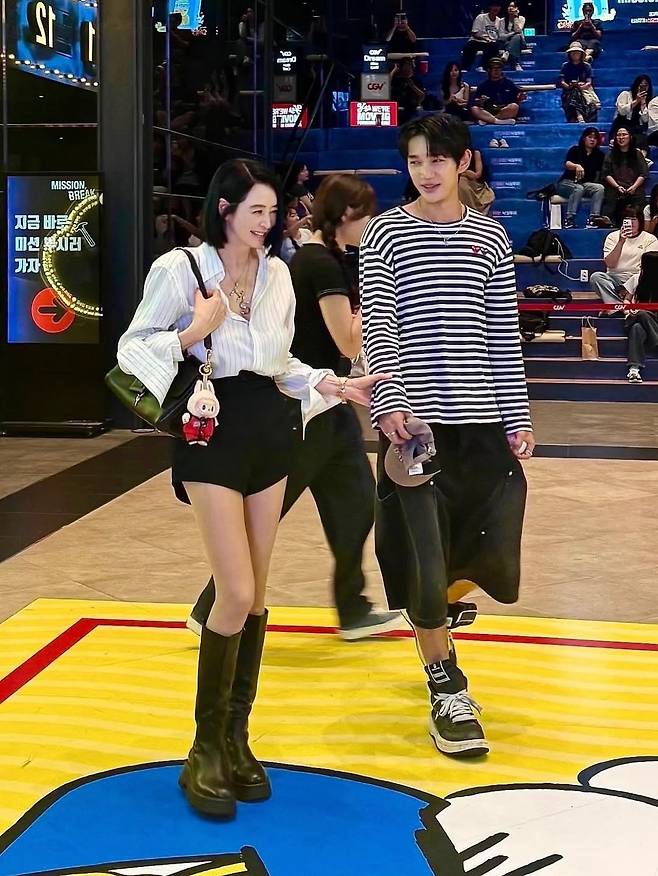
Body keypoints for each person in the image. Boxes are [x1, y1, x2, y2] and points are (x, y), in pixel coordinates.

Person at [117, 159, 388, 819]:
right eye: (255, 211)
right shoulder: (180, 270)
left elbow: (279, 363)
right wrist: (195, 331)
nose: (268, 223)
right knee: (234, 591)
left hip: (273, 429)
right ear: (225, 210)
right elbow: (133, 349)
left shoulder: (277, 276)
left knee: (257, 595)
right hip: (211, 430)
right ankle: (203, 748)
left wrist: (332, 384)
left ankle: (235, 740)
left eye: (273, 212)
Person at [360, 113, 534, 758]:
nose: (425, 172)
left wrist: (516, 416)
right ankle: (446, 686)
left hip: (481, 427)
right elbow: (378, 323)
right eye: (414, 161)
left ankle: (434, 617)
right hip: (415, 428)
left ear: (463, 162)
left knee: (485, 549)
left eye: (436, 159)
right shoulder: (385, 231)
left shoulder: (491, 237)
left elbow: (501, 333)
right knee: (424, 563)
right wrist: (388, 403)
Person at [187, 173, 404, 644]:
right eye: (366, 215)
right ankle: (214, 606)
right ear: (345, 216)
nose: (372, 225)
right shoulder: (319, 264)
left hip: (325, 399)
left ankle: (352, 608)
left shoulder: (314, 260)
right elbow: (348, 340)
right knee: (267, 518)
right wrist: (385, 297)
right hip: (300, 408)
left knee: (353, 504)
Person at [590, 205, 658, 313]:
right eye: (627, 219)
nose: (631, 223)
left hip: (637, 279)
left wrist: (629, 287)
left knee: (646, 278)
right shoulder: (612, 237)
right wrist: (621, 242)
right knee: (596, 277)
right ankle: (622, 307)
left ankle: (615, 306)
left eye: (633, 219)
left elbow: (649, 266)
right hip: (615, 278)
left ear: (640, 221)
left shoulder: (650, 239)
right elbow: (610, 264)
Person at [556, 127, 607, 228]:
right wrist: (576, 166)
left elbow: (599, 173)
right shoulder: (575, 150)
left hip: (585, 184)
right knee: (578, 188)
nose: (592, 140)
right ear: (584, 138)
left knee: (599, 188)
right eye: (590, 137)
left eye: (595, 138)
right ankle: (569, 219)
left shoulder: (600, 155)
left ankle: (594, 219)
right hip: (567, 182)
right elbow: (567, 164)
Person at [620, 252, 658, 382]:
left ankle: (634, 369)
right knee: (637, 325)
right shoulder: (636, 279)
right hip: (637, 316)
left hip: (653, 319)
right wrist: (629, 309)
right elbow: (627, 299)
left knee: (638, 323)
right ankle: (634, 370)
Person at [601, 127, 649, 226]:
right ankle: (606, 219)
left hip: (634, 187)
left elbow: (643, 173)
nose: (621, 137)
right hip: (616, 186)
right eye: (618, 135)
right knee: (610, 195)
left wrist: (634, 187)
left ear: (630, 137)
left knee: (639, 197)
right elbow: (606, 174)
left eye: (624, 134)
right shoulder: (610, 155)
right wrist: (617, 186)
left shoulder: (637, 154)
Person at [470, 57, 523, 126]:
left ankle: (489, 120)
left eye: (499, 68)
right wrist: (480, 101)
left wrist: (520, 98)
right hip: (488, 111)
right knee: (474, 109)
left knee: (514, 107)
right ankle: (498, 121)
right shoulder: (482, 85)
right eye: (494, 68)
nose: (496, 70)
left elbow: (515, 100)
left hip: (504, 110)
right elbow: (476, 102)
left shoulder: (509, 84)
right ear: (489, 70)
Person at [558, 42, 597, 124]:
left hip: (584, 90)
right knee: (574, 92)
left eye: (577, 53)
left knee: (577, 92)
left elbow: (589, 82)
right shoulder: (565, 66)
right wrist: (569, 86)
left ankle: (579, 115)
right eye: (573, 53)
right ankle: (578, 115)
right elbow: (562, 82)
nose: (575, 54)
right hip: (569, 91)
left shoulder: (587, 66)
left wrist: (580, 87)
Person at [460, 2, 504, 72]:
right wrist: (485, 38)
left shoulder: (499, 21)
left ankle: (483, 66)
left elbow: (500, 35)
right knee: (470, 46)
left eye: (498, 6)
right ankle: (464, 68)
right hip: (478, 40)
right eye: (494, 6)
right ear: (490, 7)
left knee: (494, 46)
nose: (496, 8)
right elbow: (474, 33)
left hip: (491, 43)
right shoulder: (481, 17)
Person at [391, 57, 428, 122]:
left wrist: (412, 86)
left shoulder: (416, 80)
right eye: (405, 66)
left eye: (409, 65)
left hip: (411, 109)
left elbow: (422, 95)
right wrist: (393, 71)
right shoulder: (397, 80)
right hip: (397, 109)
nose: (407, 68)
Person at [458, 149, 495, 214]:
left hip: (474, 183)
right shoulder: (452, 155)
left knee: (462, 184)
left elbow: (477, 174)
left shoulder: (476, 153)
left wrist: (467, 173)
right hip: (459, 179)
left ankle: (471, 211)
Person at [280, 195, 312, 264]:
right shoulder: (284, 241)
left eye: (297, 215)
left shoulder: (306, 232)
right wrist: (304, 219)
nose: (297, 218)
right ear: (284, 220)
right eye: (293, 216)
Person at [500, 2, 526, 71]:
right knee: (515, 36)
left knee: (517, 36)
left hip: (520, 42)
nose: (511, 8)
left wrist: (516, 17)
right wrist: (512, 34)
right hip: (505, 42)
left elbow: (518, 30)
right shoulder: (502, 20)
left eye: (513, 6)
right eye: (509, 6)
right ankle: (516, 63)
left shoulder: (521, 19)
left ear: (517, 9)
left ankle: (507, 52)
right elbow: (501, 36)